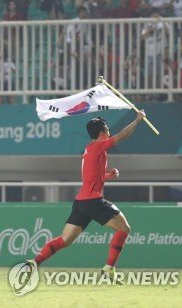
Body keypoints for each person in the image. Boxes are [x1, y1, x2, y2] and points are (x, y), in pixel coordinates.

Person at [27, 111, 147, 283]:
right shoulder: (99, 146)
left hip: (81, 202)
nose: (109, 131)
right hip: (93, 200)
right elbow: (123, 135)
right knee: (124, 228)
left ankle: (34, 263)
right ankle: (109, 269)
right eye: (107, 128)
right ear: (101, 132)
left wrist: (108, 176)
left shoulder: (89, 149)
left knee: (65, 240)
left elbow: (89, 177)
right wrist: (137, 120)